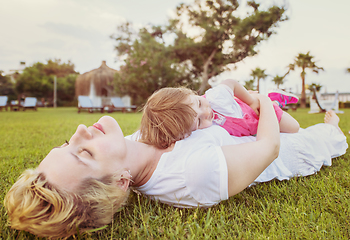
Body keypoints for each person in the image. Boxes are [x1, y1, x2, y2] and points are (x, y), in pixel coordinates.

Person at [4, 92, 347, 238]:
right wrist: (263, 100)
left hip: (252, 129)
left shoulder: (136, 142)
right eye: (84, 153)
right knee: (328, 135)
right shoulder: (191, 175)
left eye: (67, 145)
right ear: (121, 181)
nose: (79, 132)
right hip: (298, 149)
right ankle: (331, 124)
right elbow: (270, 147)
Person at [139, 79, 299, 149]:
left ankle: (272, 100)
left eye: (200, 103)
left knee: (294, 128)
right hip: (249, 126)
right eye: (199, 121)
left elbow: (231, 83)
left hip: (255, 111)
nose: (207, 112)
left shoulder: (216, 98)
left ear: (192, 94)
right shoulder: (190, 127)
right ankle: (275, 101)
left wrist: (251, 100)